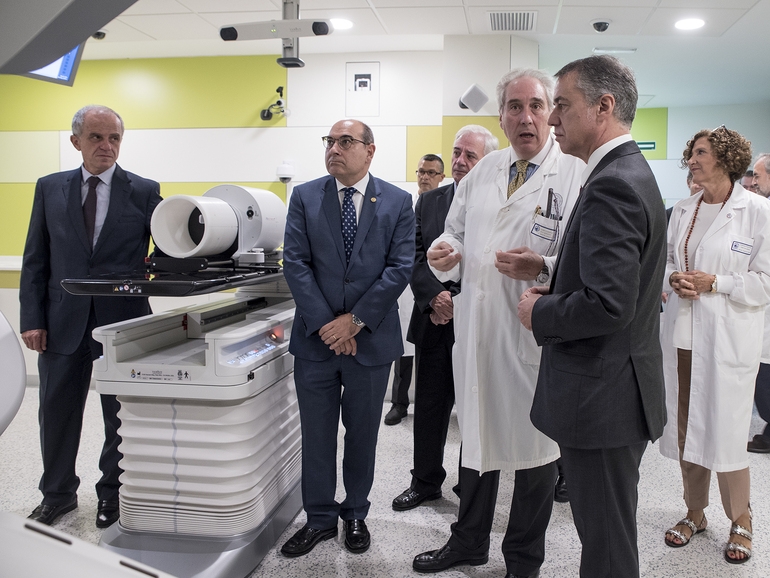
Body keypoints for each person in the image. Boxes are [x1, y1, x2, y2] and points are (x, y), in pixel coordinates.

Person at [414, 69, 583, 578]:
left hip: (533, 333)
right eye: (514, 106)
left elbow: (583, 258)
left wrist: (545, 268)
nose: (525, 116)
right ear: (502, 115)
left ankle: (523, 560)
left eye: (535, 105)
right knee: (477, 441)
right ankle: (468, 542)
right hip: (479, 330)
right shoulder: (486, 169)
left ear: (551, 112)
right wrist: (447, 254)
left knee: (535, 452)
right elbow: (456, 234)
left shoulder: (574, 172)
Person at [518, 55, 667, 578]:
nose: (551, 119)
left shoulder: (613, 182)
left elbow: (608, 303)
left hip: (603, 400)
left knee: (606, 548)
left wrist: (542, 310)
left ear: (603, 107)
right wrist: (556, 278)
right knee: (606, 536)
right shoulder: (623, 171)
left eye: (560, 105)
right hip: (615, 392)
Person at [20, 105, 162, 528]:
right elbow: (35, 259)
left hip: (122, 322)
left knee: (119, 414)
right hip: (62, 321)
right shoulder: (50, 188)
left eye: (114, 138)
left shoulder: (144, 189)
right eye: (97, 137)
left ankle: (112, 495)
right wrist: (32, 318)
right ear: (76, 141)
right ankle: (57, 494)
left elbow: (170, 242)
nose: (107, 146)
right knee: (57, 411)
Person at [281, 119, 414, 557]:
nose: (334, 149)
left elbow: (399, 268)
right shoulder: (305, 196)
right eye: (330, 142)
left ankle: (355, 512)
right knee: (316, 435)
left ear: (369, 151)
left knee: (362, 435)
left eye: (346, 142)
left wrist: (354, 321)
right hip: (316, 343)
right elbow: (296, 264)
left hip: (370, 341)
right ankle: (319, 519)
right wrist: (328, 325)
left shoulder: (397, 200)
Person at [660, 126, 770, 564]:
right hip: (684, 335)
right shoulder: (683, 209)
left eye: (700, 152)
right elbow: (669, 259)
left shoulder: (757, 211)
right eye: (691, 152)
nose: (691, 159)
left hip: (726, 340)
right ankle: (694, 512)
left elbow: (765, 281)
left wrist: (715, 283)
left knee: (724, 430)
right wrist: (674, 279)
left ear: (725, 159)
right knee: (687, 430)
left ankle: (741, 518)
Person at [391, 125, 498, 510]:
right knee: (431, 407)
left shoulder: (500, 202)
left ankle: (471, 483)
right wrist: (434, 296)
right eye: (456, 152)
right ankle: (424, 481)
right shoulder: (431, 201)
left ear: (488, 161)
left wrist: (462, 299)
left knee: (477, 408)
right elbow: (413, 255)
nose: (460, 161)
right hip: (435, 320)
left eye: (470, 155)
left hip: (480, 323)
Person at [384, 154, 446, 426]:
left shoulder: (448, 205)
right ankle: (399, 402)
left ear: (441, 177)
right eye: (421, 171)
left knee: (427, 351)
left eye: (431, 172)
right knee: (403, 348)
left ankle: (429, 403)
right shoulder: (403, 204)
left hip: (432, 287)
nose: (424, 177)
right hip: (404, 288)